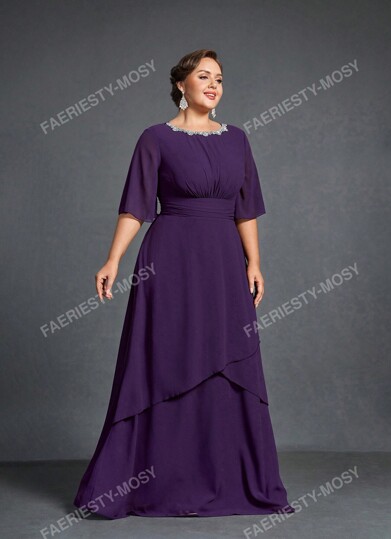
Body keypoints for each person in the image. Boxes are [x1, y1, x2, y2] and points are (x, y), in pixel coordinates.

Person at [73, 49, 294, 518]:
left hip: (224, 264)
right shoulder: (155, 138)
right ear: (181, 85)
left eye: (219, 78)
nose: (213, 85)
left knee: (225, 357)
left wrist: (255, 262)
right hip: (169, 262)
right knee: (166, 357)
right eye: (203, 76)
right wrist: (113, 258)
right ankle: (155, 482)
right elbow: (136, 206)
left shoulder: (237, 139)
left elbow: (246, 208)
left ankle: (225, 477)